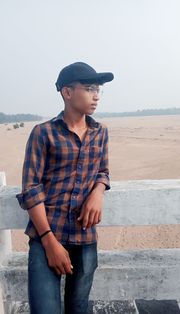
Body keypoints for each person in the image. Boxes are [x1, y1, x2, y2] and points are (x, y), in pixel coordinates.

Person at [16, 61, 114, 314]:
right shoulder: (43, 133)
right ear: (67, 93)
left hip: (85, 238)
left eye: (98, 90)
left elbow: (102, 170)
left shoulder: (99, 132)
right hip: (47, 236)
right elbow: (31, 189)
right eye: (90, 88)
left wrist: (98, 191)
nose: (96, 96)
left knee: (78, 309)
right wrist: (49, 242)